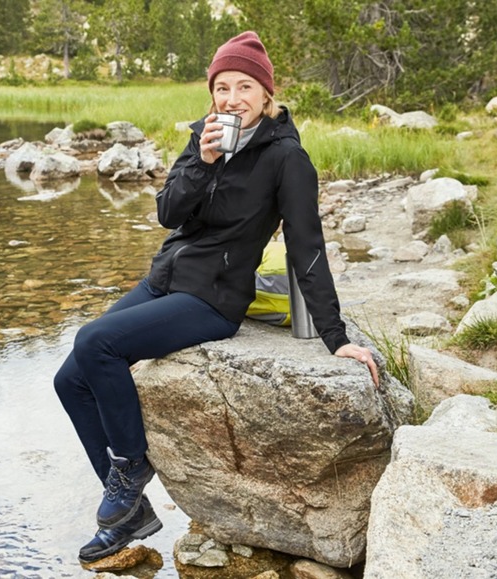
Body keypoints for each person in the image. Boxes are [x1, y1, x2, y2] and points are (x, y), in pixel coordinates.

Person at [53, 30, 379, 564]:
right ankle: (130, 507)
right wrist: (201, 161)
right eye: (222, 87)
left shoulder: (286, 158)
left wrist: (335, 336)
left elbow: (307, 247)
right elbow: (168, 214)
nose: (231, 99)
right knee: (68, 378)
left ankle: (131, 469)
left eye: (244, 86)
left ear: (266, 94)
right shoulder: (200, 137)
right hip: (166, 281)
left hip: (213, 299)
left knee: (96, 342)